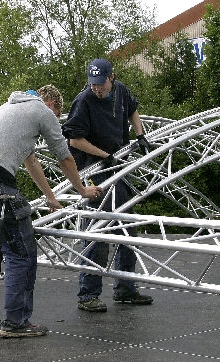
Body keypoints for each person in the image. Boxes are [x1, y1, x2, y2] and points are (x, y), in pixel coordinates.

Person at [0, 85, 102, 338]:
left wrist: (50, 196)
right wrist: (82, 190)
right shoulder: (42, 111)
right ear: (52, 104)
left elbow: (31, 161)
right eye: (58, 113)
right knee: (21, 251)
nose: (56, 120)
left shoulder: (10, 108)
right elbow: (65, 157)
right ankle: (16, 322)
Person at [61, 58, 153, 312]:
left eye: (100, 84)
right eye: (93, 84)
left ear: (111, 77)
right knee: (98, 229)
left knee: (126, 226)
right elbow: (75, 140)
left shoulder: (120, 90)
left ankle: (126, 288)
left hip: (117, 165)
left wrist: (140, 135)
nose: (96, 88)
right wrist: (104, 155)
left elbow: (133, 110)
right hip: (94, 169)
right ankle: (88, 294)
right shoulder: (83, 101)